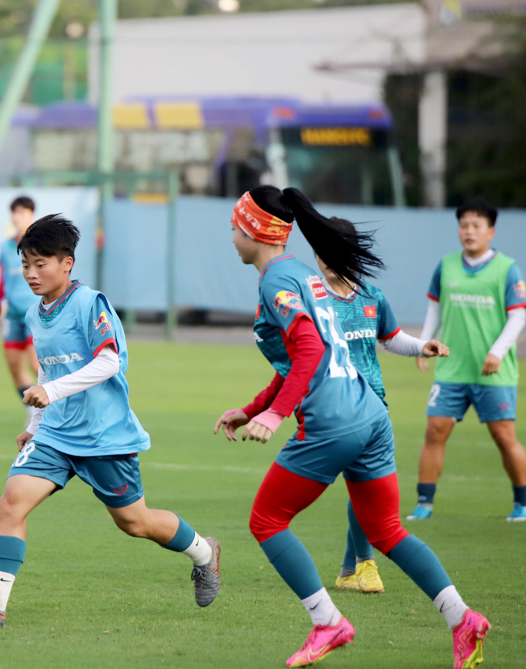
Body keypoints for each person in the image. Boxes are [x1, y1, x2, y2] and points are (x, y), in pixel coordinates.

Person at [214, 187, 489, 669]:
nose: (230, 235)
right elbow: (297, 359)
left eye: (234, 226)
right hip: (370, 415)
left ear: (255, 230)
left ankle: (328, 623)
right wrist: (253, 406)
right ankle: (462, 618)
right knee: (386, 530)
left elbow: (309, 350)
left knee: (266, 521)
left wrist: (276, 415)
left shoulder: (276, 280)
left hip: (333, 421)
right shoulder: (302, 273)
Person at [0, 214, 221, 628]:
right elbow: (47, 373)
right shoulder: (37, 312)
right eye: (25, 265)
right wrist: (36, 424)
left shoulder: (90, 303)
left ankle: (204, 553)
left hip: (103, 436)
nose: (31, 274)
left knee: (136, 522)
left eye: (41, 264)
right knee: (11, 501)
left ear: (67, 263)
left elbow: (110, 361)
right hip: (55, 434)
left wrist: (52, 394)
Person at [315, 248, 449, 594]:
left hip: (374, 404)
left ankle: (352, 569)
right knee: (364, 485)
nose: (325, 257)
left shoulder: (373, 297)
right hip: (336, 406)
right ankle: (365, 563)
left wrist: (422, 347)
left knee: (365, 485)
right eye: (320, 249)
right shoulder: (312, 298)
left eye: (331, 247)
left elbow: (391, 339)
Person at [409, 198, 526, 522]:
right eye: (464, 225)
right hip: (452, 367)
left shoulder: (508, 268)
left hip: (493, 371)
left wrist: (497, 351)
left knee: (504, 436)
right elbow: (435, 307)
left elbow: (518, 317)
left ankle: (523, 504)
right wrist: (423, 343)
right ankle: (424, 502)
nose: (469, 231)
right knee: (435, 430)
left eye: (476, 225)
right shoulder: (446, 265)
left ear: (490, 231)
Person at [0, 196, 41, 422]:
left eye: (21, 212)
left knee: (35, 363)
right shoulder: (6, 245)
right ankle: (32, 409)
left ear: (32, 215)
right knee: (13, 366)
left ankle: (53, 405)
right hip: (12, 313)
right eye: (14, 213)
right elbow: (3, 279)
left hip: (36, 312)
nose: (16, 217)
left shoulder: (41, 244)